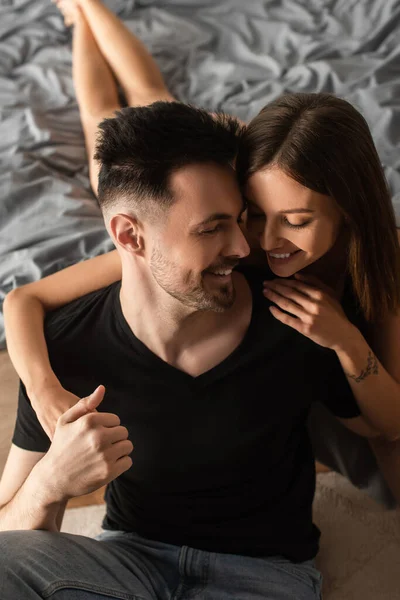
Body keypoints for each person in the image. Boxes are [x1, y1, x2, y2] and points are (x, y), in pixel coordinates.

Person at [4, 0, 400, 508]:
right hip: (181, 200)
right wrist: (42, 392)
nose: (266, 238)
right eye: (253, 213)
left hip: (328, 384)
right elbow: (24, 300)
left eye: (297, 221)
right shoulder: (239, 244)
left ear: (347, 210)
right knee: (119, 112)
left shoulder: (378, 258)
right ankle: (84, 10)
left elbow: (389, 424)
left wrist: (345, 340)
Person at [1, 94, 366, 600]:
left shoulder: (297, 315)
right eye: (213, 228)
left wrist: (352, 348)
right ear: (130, 236)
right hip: (128, 560)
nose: (243, 246)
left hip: (264, 574)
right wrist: (50, 484)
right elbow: (9, 531)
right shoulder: (64, 348)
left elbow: (378, 431)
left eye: (241, 219)